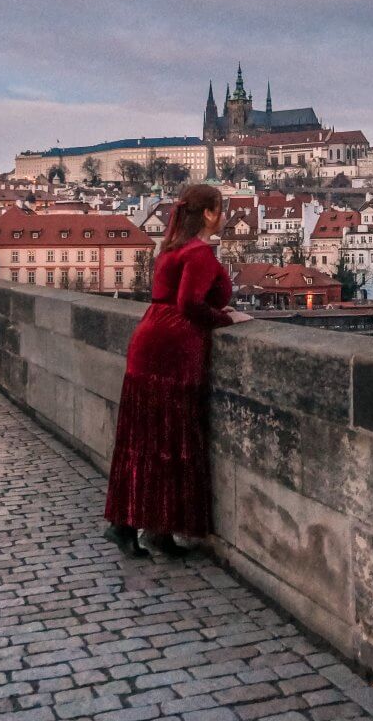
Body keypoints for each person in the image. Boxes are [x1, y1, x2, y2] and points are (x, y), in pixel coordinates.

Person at [104, 184, 252, 557]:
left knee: (141, 438)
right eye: (221, 209)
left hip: (150, 337)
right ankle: (151, 528)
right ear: (207, 213)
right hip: (173, 348)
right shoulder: (199, 252)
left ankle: (136, 526)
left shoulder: (170, 247)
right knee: (169, 441)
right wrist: (226, 318)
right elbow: (190, 305)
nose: (223, 215)